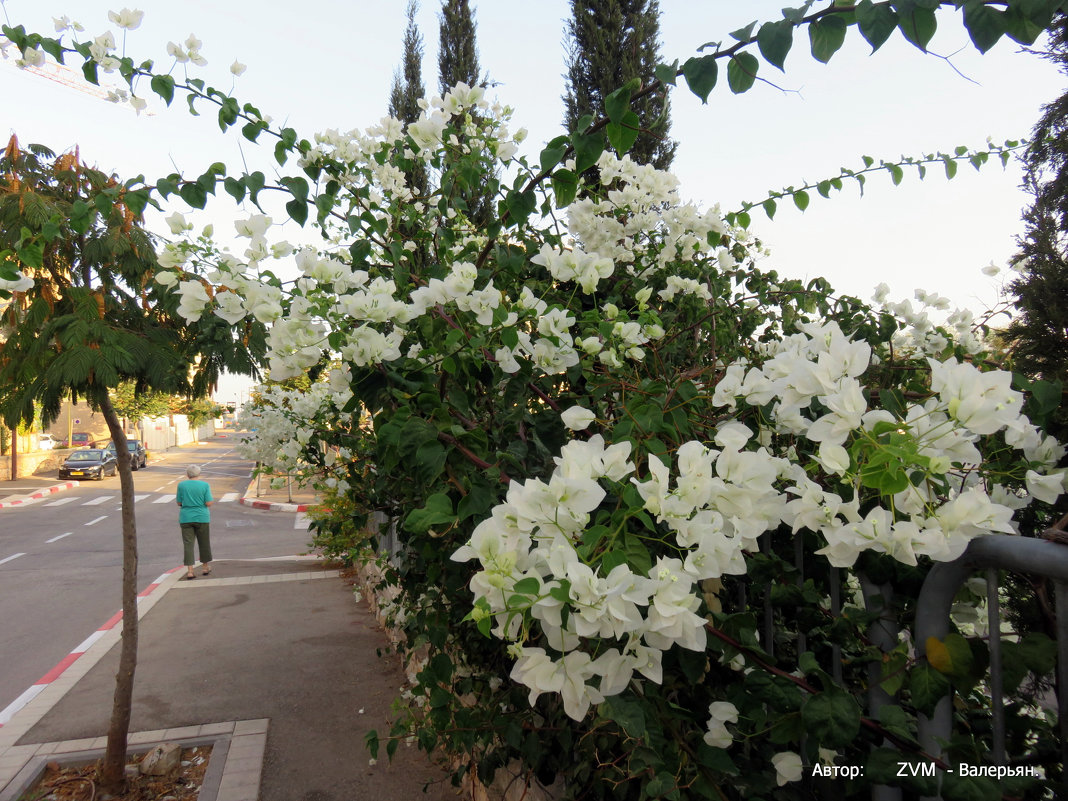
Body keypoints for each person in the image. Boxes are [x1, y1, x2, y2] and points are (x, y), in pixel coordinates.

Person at [176, 464, 214, 579]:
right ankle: (205, 567)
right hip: (202, 517)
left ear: (187, 474)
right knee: (204, 543)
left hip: (186, 518)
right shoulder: (205, 485)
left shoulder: (181, 485)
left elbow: (179, 503)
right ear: (199, 474)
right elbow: (209, 502)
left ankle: (190, 571)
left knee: (188, 544)